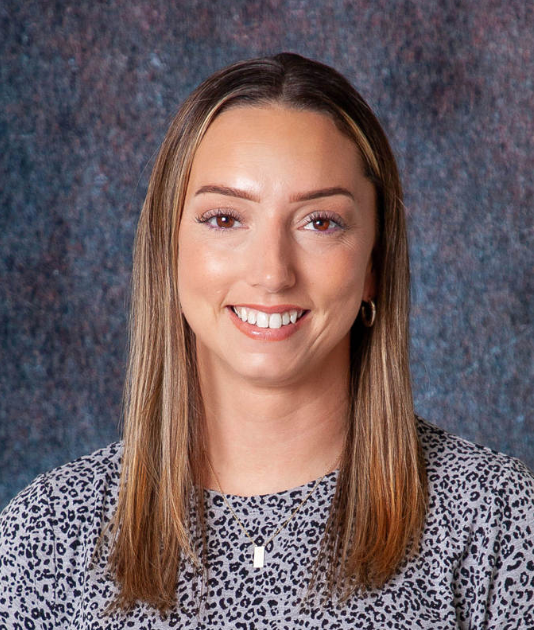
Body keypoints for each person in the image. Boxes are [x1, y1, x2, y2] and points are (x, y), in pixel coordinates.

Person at [1, 52, 533, 629]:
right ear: (169, 249)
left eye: (320, 222)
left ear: (374, 263)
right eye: (225, 219)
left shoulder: (498, 522)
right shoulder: (47, 533)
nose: (273, 273)